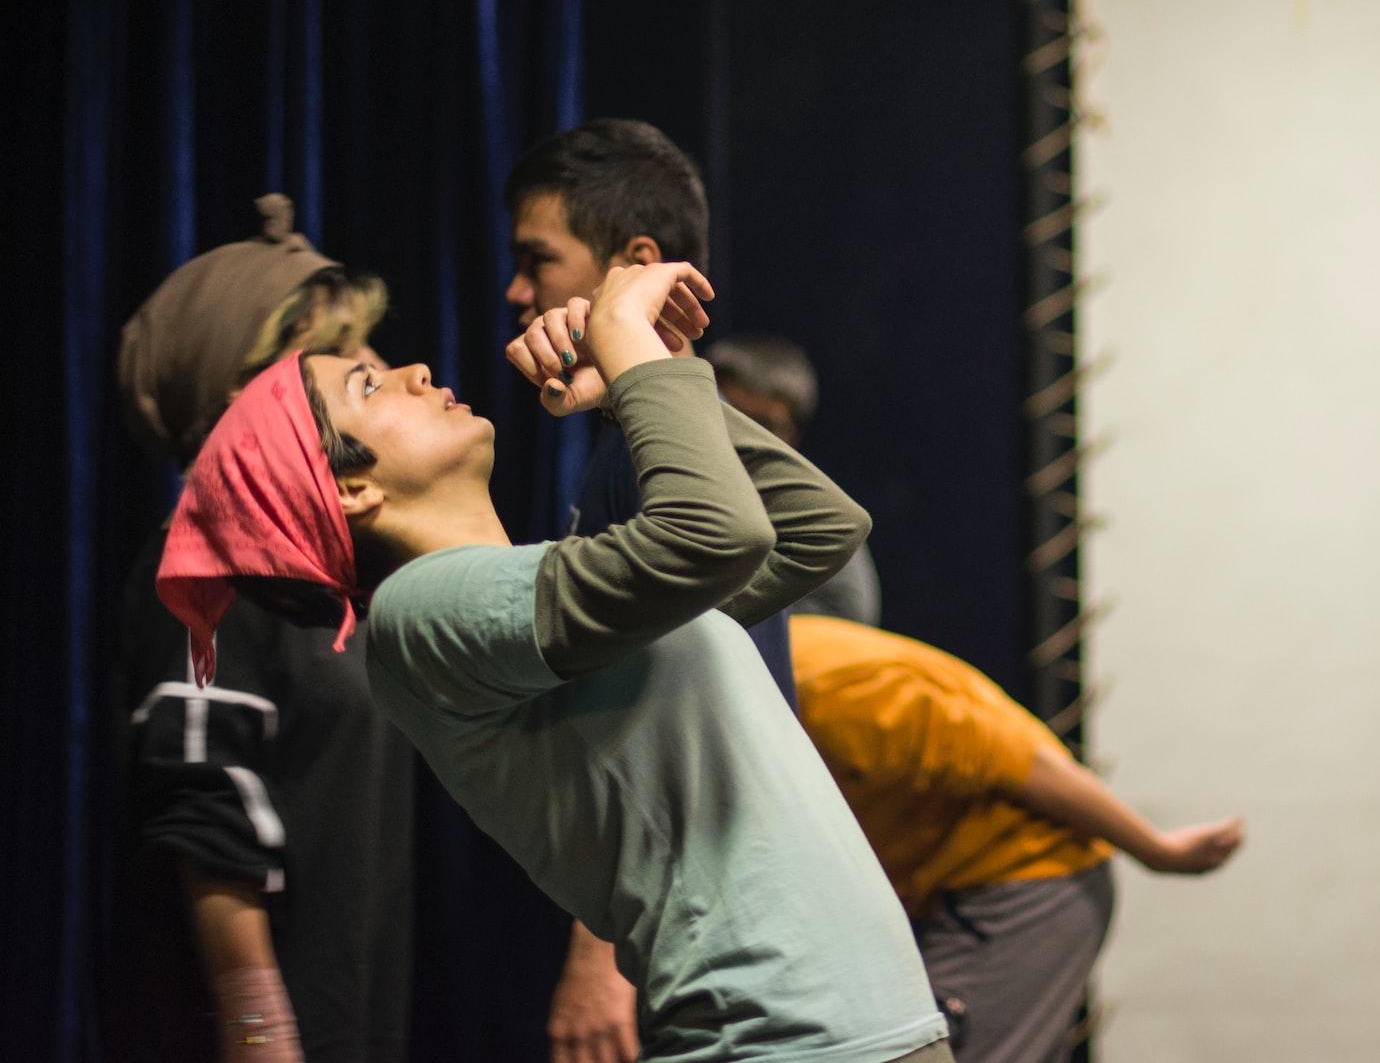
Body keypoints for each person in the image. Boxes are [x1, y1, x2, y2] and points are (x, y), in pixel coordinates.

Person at [157, 261, 952, 1063]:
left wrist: (643, 379)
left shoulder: (546, 596)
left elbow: (817, 526)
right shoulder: (418, 613)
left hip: (861, 1029)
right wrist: (627, 345)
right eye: (368, 386)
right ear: (352, 488)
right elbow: (720, 535)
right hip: (781, 1040)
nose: (414, 371)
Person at [502, 119, 808, 1059]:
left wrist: (597, 962)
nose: (518, 291)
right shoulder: (634, 443)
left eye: (538, 259)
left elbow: (656, 714)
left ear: (634, 261)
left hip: (704, 921)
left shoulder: (655, 456)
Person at [109, 194, 413, 1063]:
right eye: (341, 357)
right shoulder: (203, 559)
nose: (379, 367)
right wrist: (262, 1042)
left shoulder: (321, 575)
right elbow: (207, 820)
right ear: (249, 397)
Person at [789, 614, 1244, 1063]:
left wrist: (1158, 851)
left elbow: (1029, 765)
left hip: (1026, 883)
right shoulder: (783, 669)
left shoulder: (837, 689)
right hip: (947, 887)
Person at [708, 334, 883, 626]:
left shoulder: (804, 502)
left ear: (792, 435)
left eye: (764, 425)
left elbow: (850, 616)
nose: (744, 434)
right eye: (732, 417)